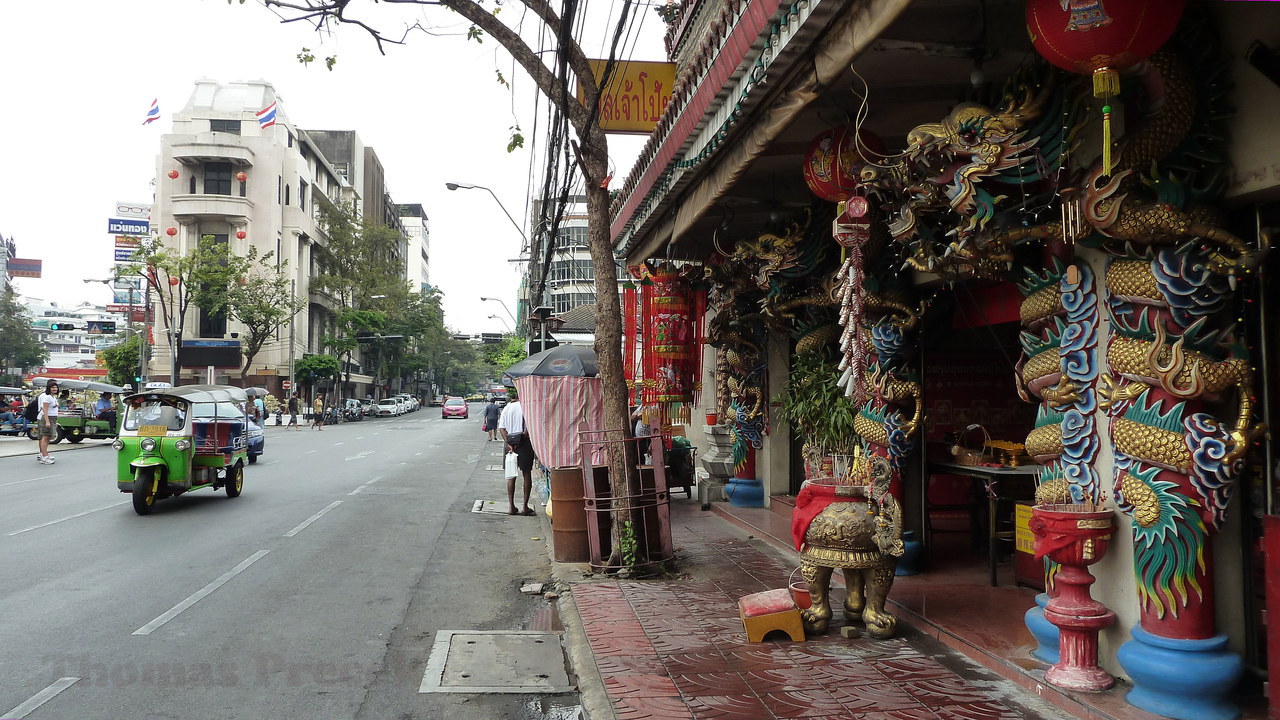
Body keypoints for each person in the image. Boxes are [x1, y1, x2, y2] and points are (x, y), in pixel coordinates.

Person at [498, 390, 535, 516]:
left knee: (511, 475)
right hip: (524, 443)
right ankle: (525, 507)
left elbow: (502, 428)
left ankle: (511, 506)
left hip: (509, 444)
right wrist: (521, 440)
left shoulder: (507, 407)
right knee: (526, 473)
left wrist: (508, 443)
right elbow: (528, 428)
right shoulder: (527, 407)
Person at [37, 379, 59, 465]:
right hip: (47, 418)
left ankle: (44, 454)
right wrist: (47, 421)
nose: (54, 389)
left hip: (53, 418)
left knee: (48, 437)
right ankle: (44, 456)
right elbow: (44, 409)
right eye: (52, 387)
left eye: (56, 387)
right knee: (45, 437)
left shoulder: (53, 397)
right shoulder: (46, 396)